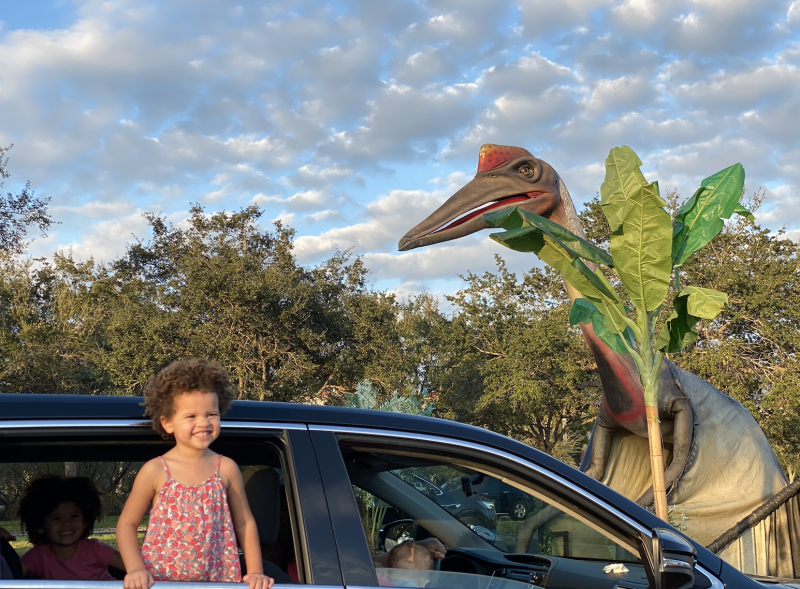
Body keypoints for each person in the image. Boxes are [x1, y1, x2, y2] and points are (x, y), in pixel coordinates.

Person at [116, 359, 273, 589]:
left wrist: (256, 571)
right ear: (168, 423)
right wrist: (136, 570)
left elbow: (245, 523)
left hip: (218, 583)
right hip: (162, 584)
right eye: (191, 416)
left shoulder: (226, 468)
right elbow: (127, 524)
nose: (204, 423)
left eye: (211, 414)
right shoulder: (155, 470)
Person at [16, 476, 125, 580]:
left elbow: (135, 568)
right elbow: (9, 574)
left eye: (74, 516)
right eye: (57, 519)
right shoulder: (37, 557)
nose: (67, 523)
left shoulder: (95, 549)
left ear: (85, 521)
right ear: (40, 526)